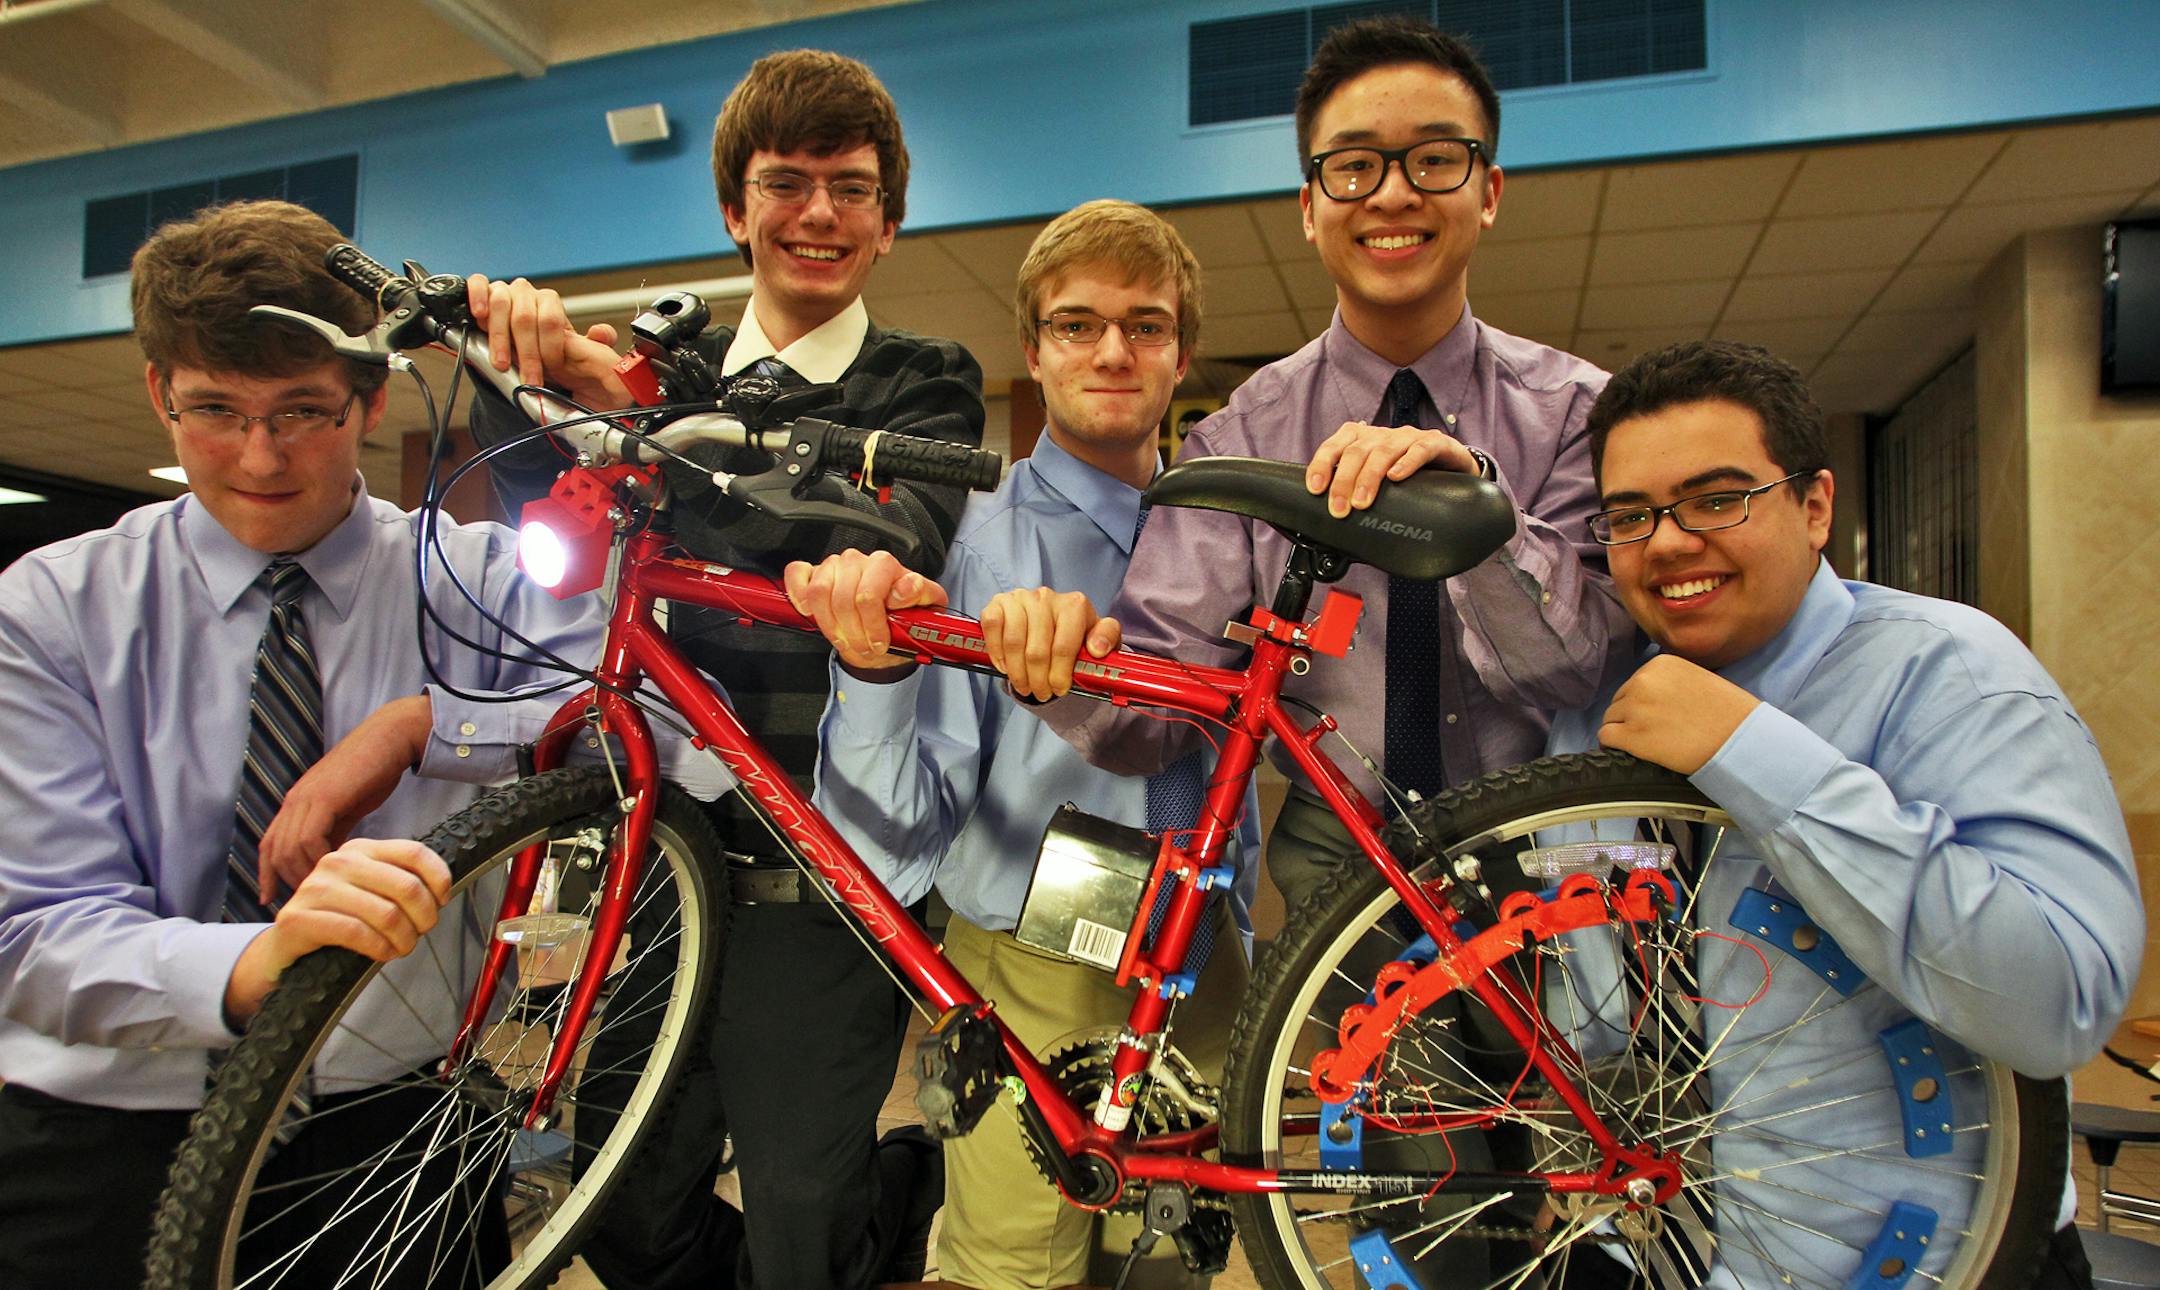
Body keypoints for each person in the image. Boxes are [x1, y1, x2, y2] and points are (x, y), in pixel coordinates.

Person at [0, 199, 629, 1288]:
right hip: (101, 1138)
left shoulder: (477, 578)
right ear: (158, 392)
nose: (259, 457)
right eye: (212, 410)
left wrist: (428, 723)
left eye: (303, 410)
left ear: (371, 396)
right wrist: (253, 963)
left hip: (387, 1137)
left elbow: (660, 739)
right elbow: (28, 931)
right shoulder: (52, 608)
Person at [462, 48, 983, 1290]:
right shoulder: (664, 382)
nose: (816, 213)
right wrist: (518, 379)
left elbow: (880, 536)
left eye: (851, 189)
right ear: (732, 210)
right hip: (660, 881)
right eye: (785, 182)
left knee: (807, 1219)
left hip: (820, 886)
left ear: (889, 220)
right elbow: (558, 495)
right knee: (623, 1210)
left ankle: (896, 1201)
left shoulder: (926, 380)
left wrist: (659, 427)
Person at [1550, 338, 2140, 1288]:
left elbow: (2060, 1003)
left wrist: (1750, 754)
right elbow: (1589, 1021)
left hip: (1959, 1263)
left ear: (1815, 505)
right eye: (1630, 516)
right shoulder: (1591, 723)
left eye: (1717, 499)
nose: (1666, 542)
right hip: (1656, 1251)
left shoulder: (1955, 677)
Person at [1024, 15, 1627, 914]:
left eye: (1433, 160)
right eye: (1353, 166)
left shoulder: (1581, 413)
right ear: (1310, 207)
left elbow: (1578, 668)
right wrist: (1062, 667)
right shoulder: (1236, 445)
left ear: (1489, 190)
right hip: (1338, 870)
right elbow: (1164, 718)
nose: (1391, 195)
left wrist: (1478, 502)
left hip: (1553, 850)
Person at [787, 200, 1258, 1290]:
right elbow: (890, 844)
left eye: (1145, 326)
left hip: (1203, 945)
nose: (1112, 350)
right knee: (1021, 1267)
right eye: (1077, 324)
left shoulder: (1229, 537)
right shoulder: (979, 545)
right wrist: (875, 672)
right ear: (1033, 351)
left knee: (1169, 1253)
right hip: (1041, 966)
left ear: (1181, 353)